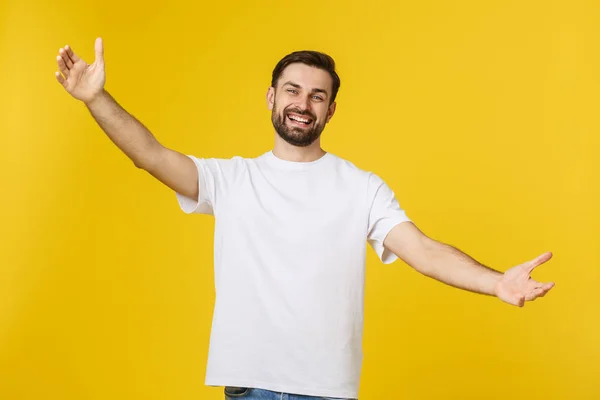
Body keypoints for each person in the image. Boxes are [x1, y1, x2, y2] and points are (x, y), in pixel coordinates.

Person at [54, 37, 555, 400]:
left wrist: (496, 283)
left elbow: (422, 251)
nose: (302, 104)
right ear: (271, 98)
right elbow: (151, 155)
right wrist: (96, 98)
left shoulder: (360, 187)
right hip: (250, 387)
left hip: (326, 391)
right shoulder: (232, 180)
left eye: (317, 96)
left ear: (331, 110)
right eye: (292, 90)